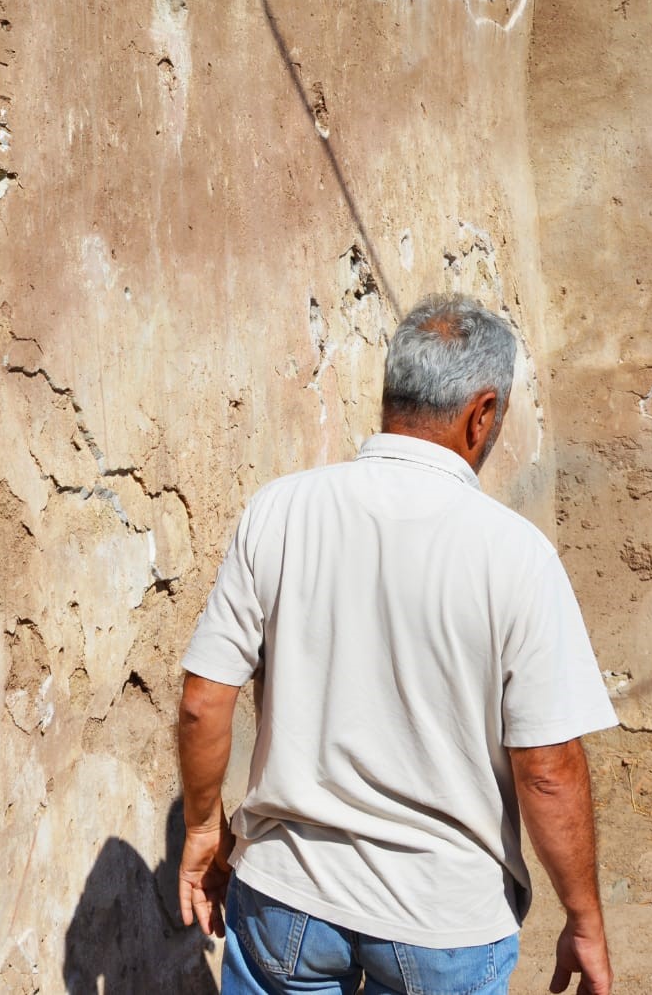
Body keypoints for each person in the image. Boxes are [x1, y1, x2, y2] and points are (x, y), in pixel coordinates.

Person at [173, 294, 618, 995]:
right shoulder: (516, 555)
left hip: (285, 898)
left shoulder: (278, 510)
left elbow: (204, 700)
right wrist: (583, 917)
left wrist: (203, 827)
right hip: (442, 919)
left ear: (392, 394)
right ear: (482, 413)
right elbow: (547, 767)